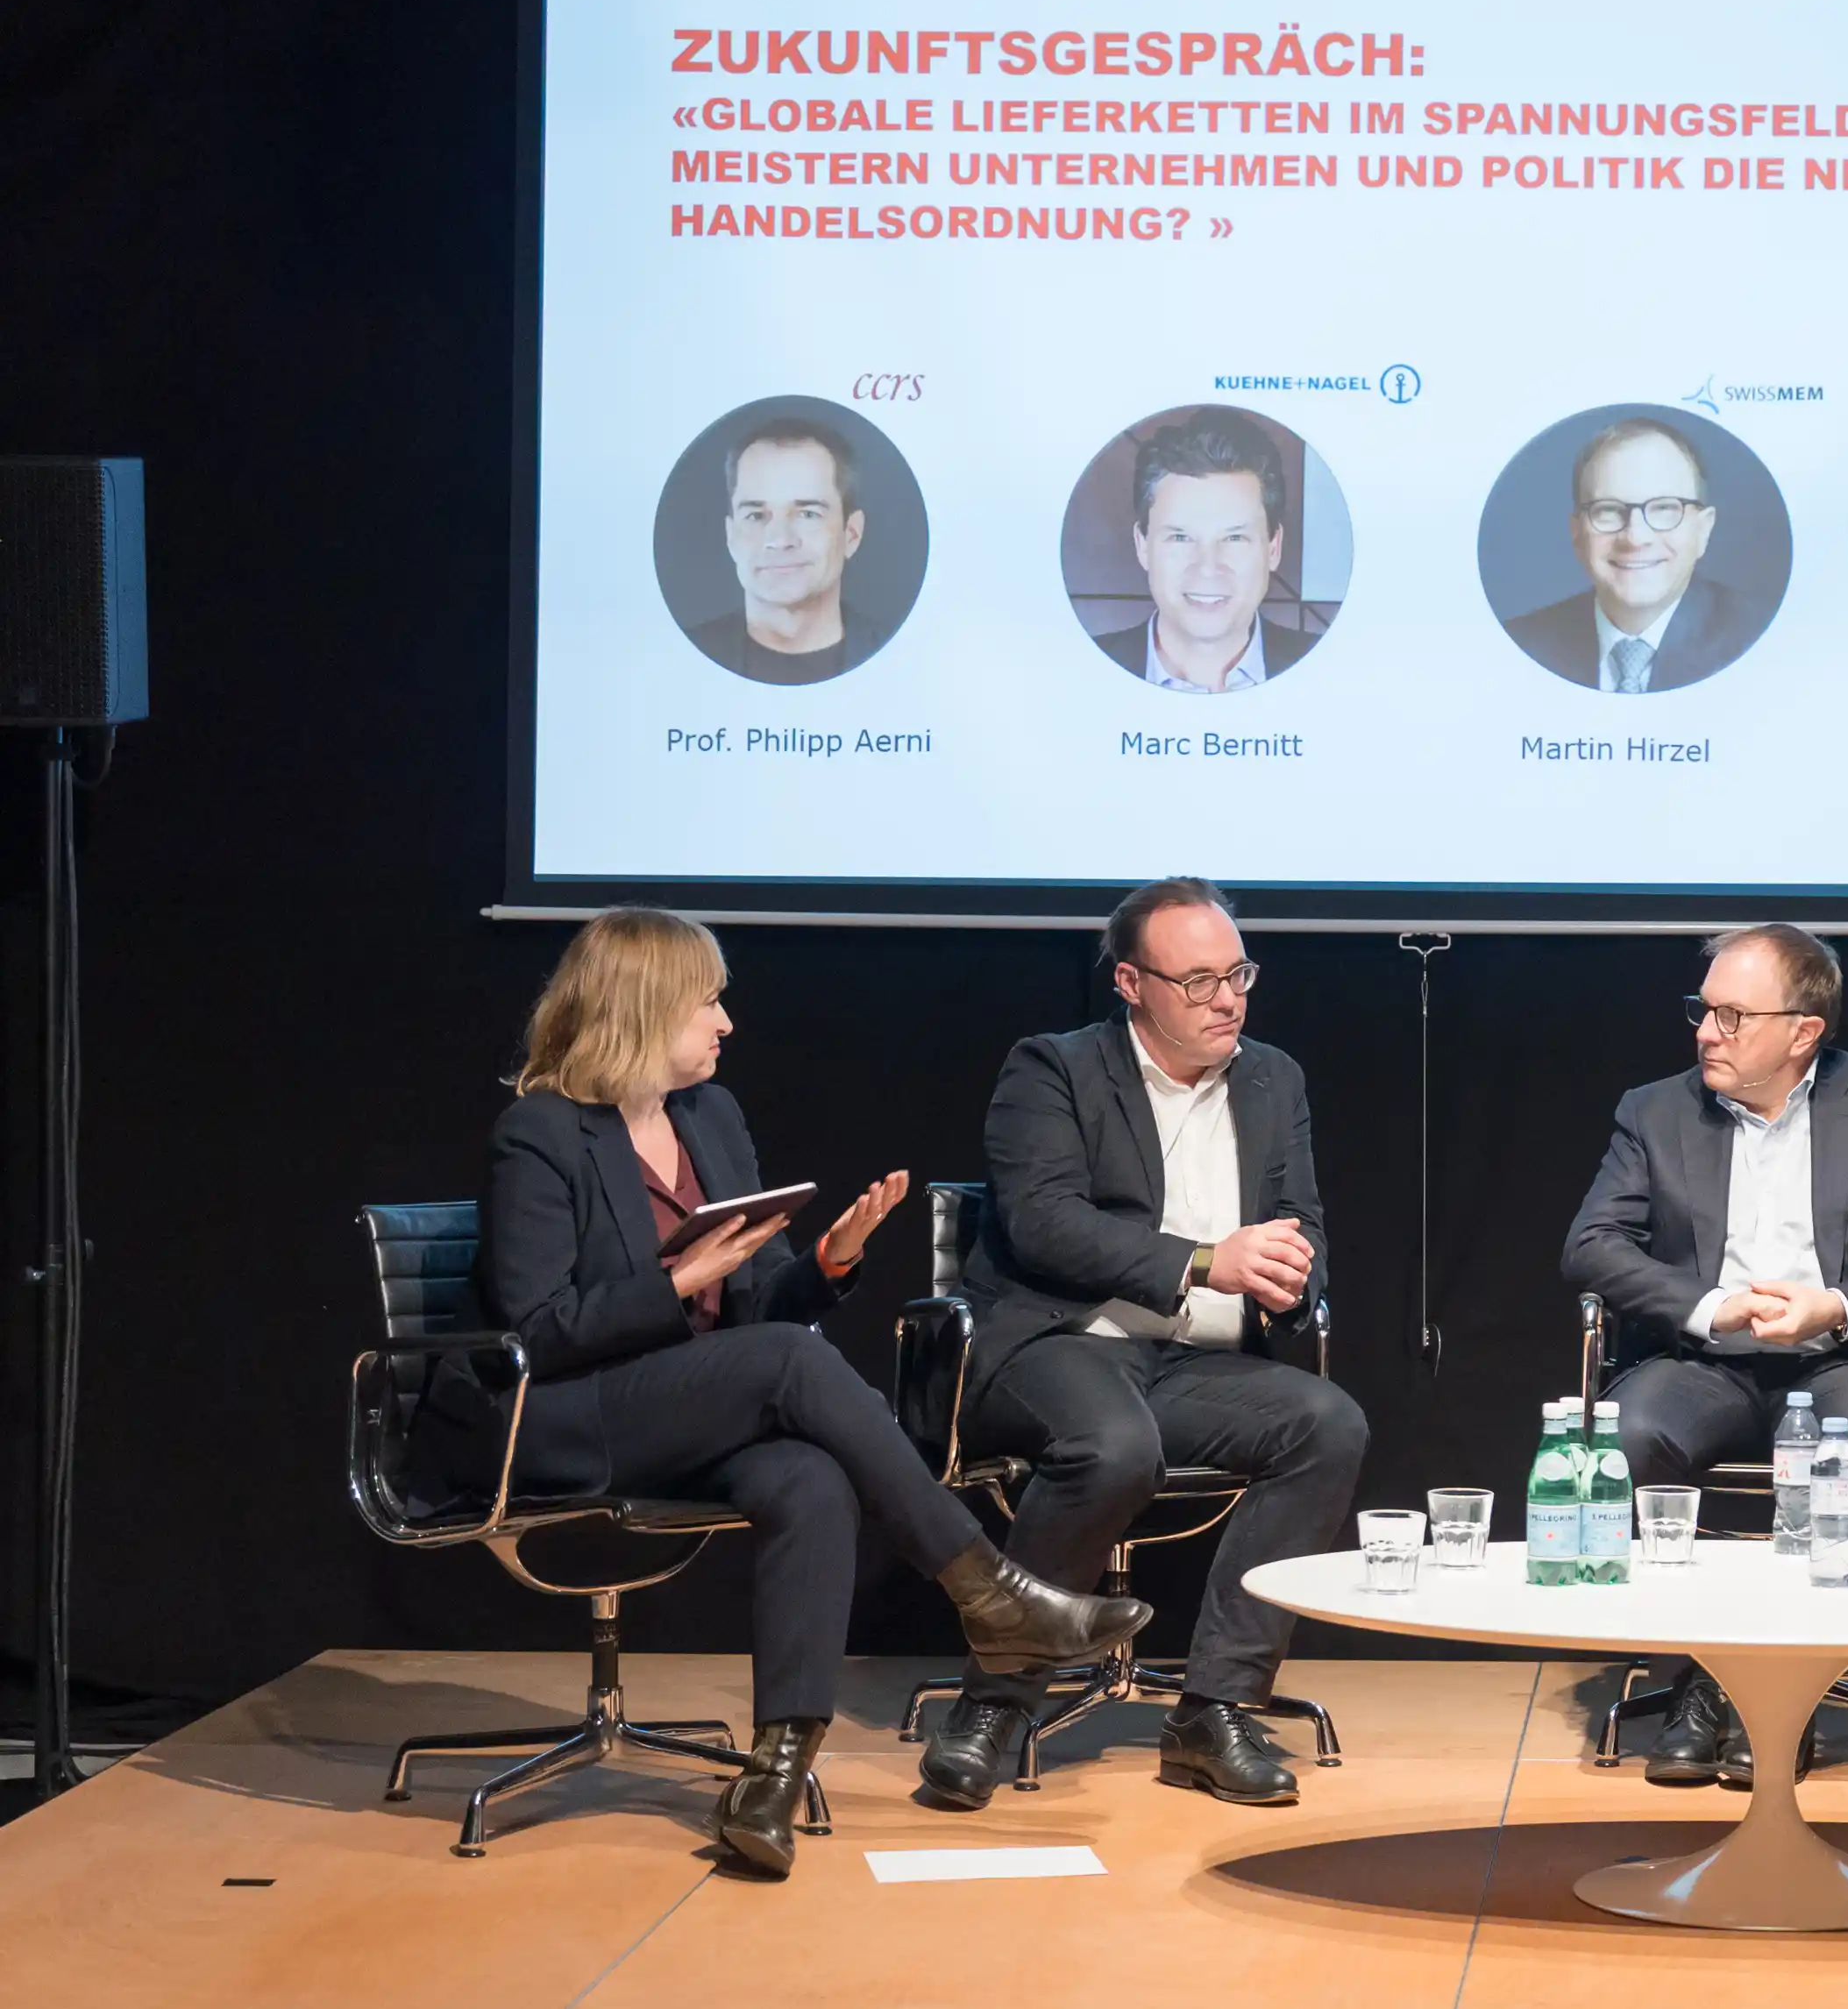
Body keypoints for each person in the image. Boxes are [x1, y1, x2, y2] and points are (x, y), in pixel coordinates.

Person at [413, 910, 1149, 1878]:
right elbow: (536, 1333)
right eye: (707, 1002)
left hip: (678, 1411)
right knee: (786, 1365)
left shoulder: (709, 1117)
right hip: (547, 1418)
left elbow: (760, 1305)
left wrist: (829, 1263)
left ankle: (772, 1775)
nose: (726, 1023)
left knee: (808, 1475)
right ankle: (987, 1591)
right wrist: (677, 1282)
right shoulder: (542, 1133)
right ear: (645, 1007)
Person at [919, 878, 1369, 1814]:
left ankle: (1216, 1708)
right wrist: (1205, 1261)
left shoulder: (1273, 1077)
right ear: (1131, 983)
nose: (1227, 999)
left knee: (1328, 1425)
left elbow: (1304, 1219)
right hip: (1064, 1342)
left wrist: (1293, 1272)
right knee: (1116, 1446)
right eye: (1198, 981)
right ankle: (996, 1699)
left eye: (1238, 974)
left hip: (1197, 1360)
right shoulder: (1053, 1068)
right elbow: (1044, 1222)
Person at [1560, 924, 1848, 1785]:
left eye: (1731, 1015)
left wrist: (1837, 1304)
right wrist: (1710, 1307)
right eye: (1702, 1009)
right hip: (1705, 1363)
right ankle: (1699, 1679)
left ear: (1804, 1031)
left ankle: (1792, 1694)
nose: (1705, 1032)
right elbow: (1591, 1246)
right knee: (1630, 1435)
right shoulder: (1654, 1110)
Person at [1503, 415, 1770, 692]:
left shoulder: (1766, 643)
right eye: (1608, 510)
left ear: (1703, 530)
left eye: (1664, 508)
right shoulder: (1515, 647)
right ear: (1577, 533)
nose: (1635, 538)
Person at [1089, 408, 1323, 690]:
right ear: (1142, 546)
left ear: (1273, 548)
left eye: (1234, 538)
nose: (1208, 568)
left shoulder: (1335, 667)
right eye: (1180, 537)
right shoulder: (1078, 669)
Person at [686, 424, 875, 683]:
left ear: (851, 534)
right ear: (731, 537)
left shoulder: (909, 664)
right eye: (755, 516)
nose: (780, 540)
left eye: (808, 514)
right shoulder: (673, 662)